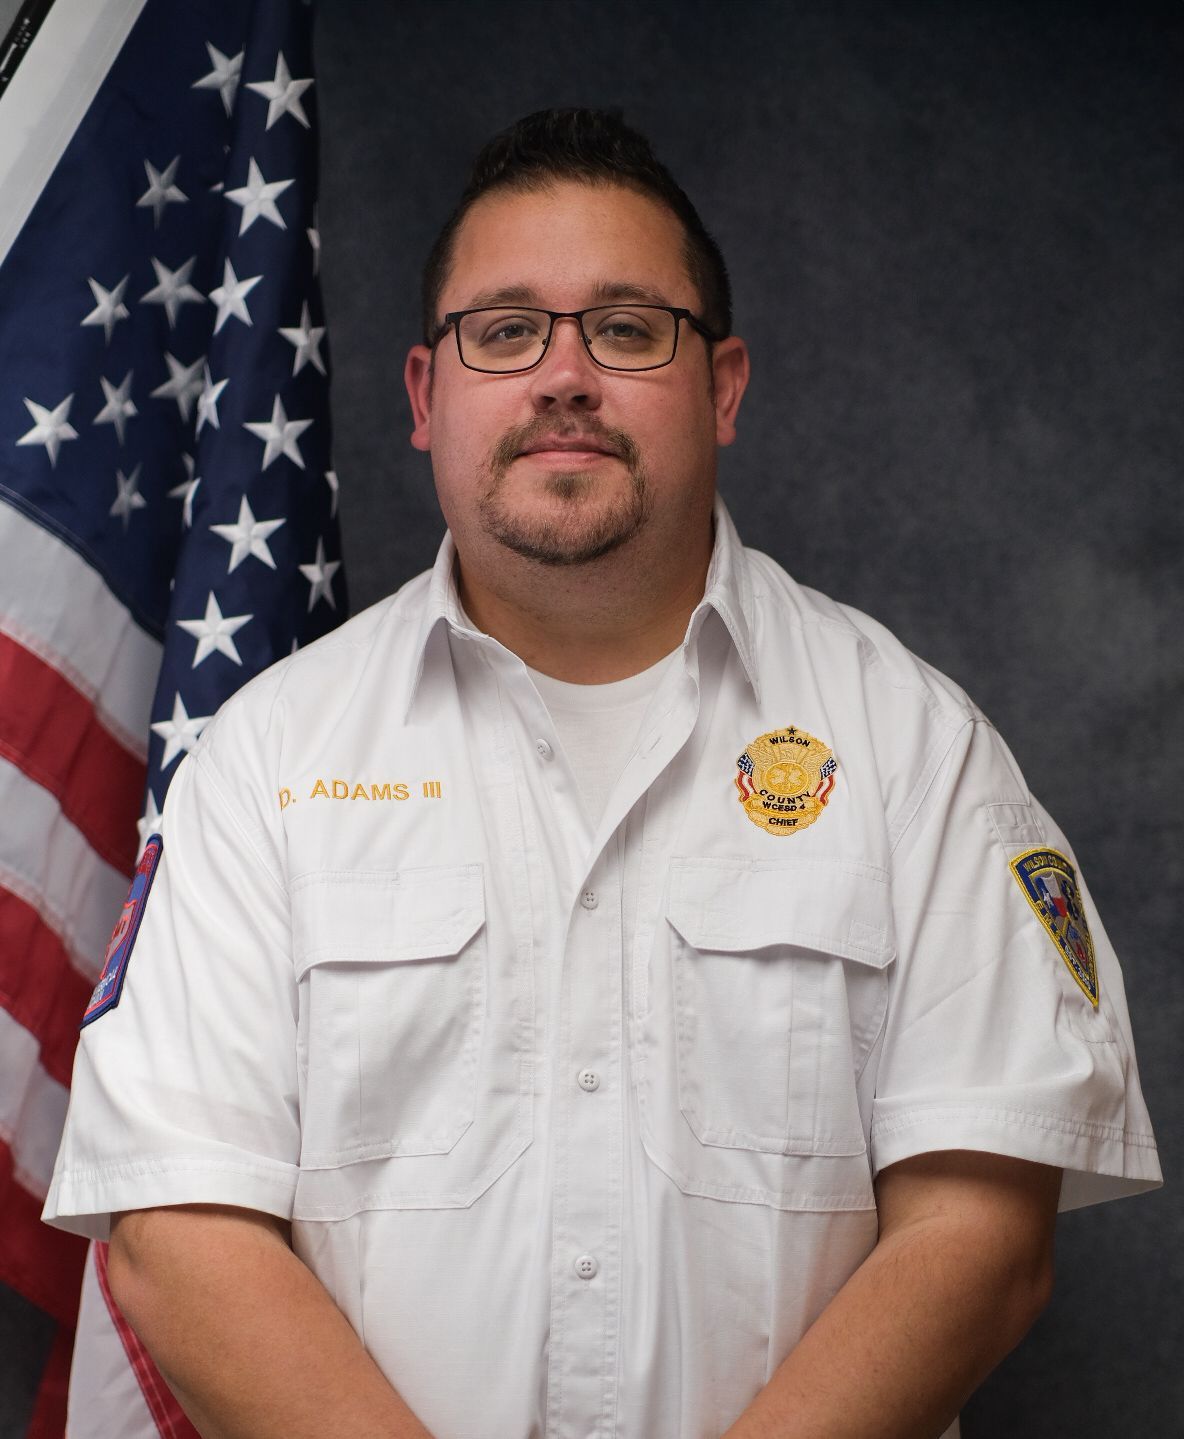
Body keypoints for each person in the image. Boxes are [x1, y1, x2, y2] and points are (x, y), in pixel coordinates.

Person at [44, 108, 1161, 1439]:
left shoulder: (918, 749)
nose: (563, 374)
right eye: (506, 330)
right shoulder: (267, 765)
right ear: (425, 397)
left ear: (723, 387)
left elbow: (980, 1234)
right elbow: (178, 1231)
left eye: (627, 329)